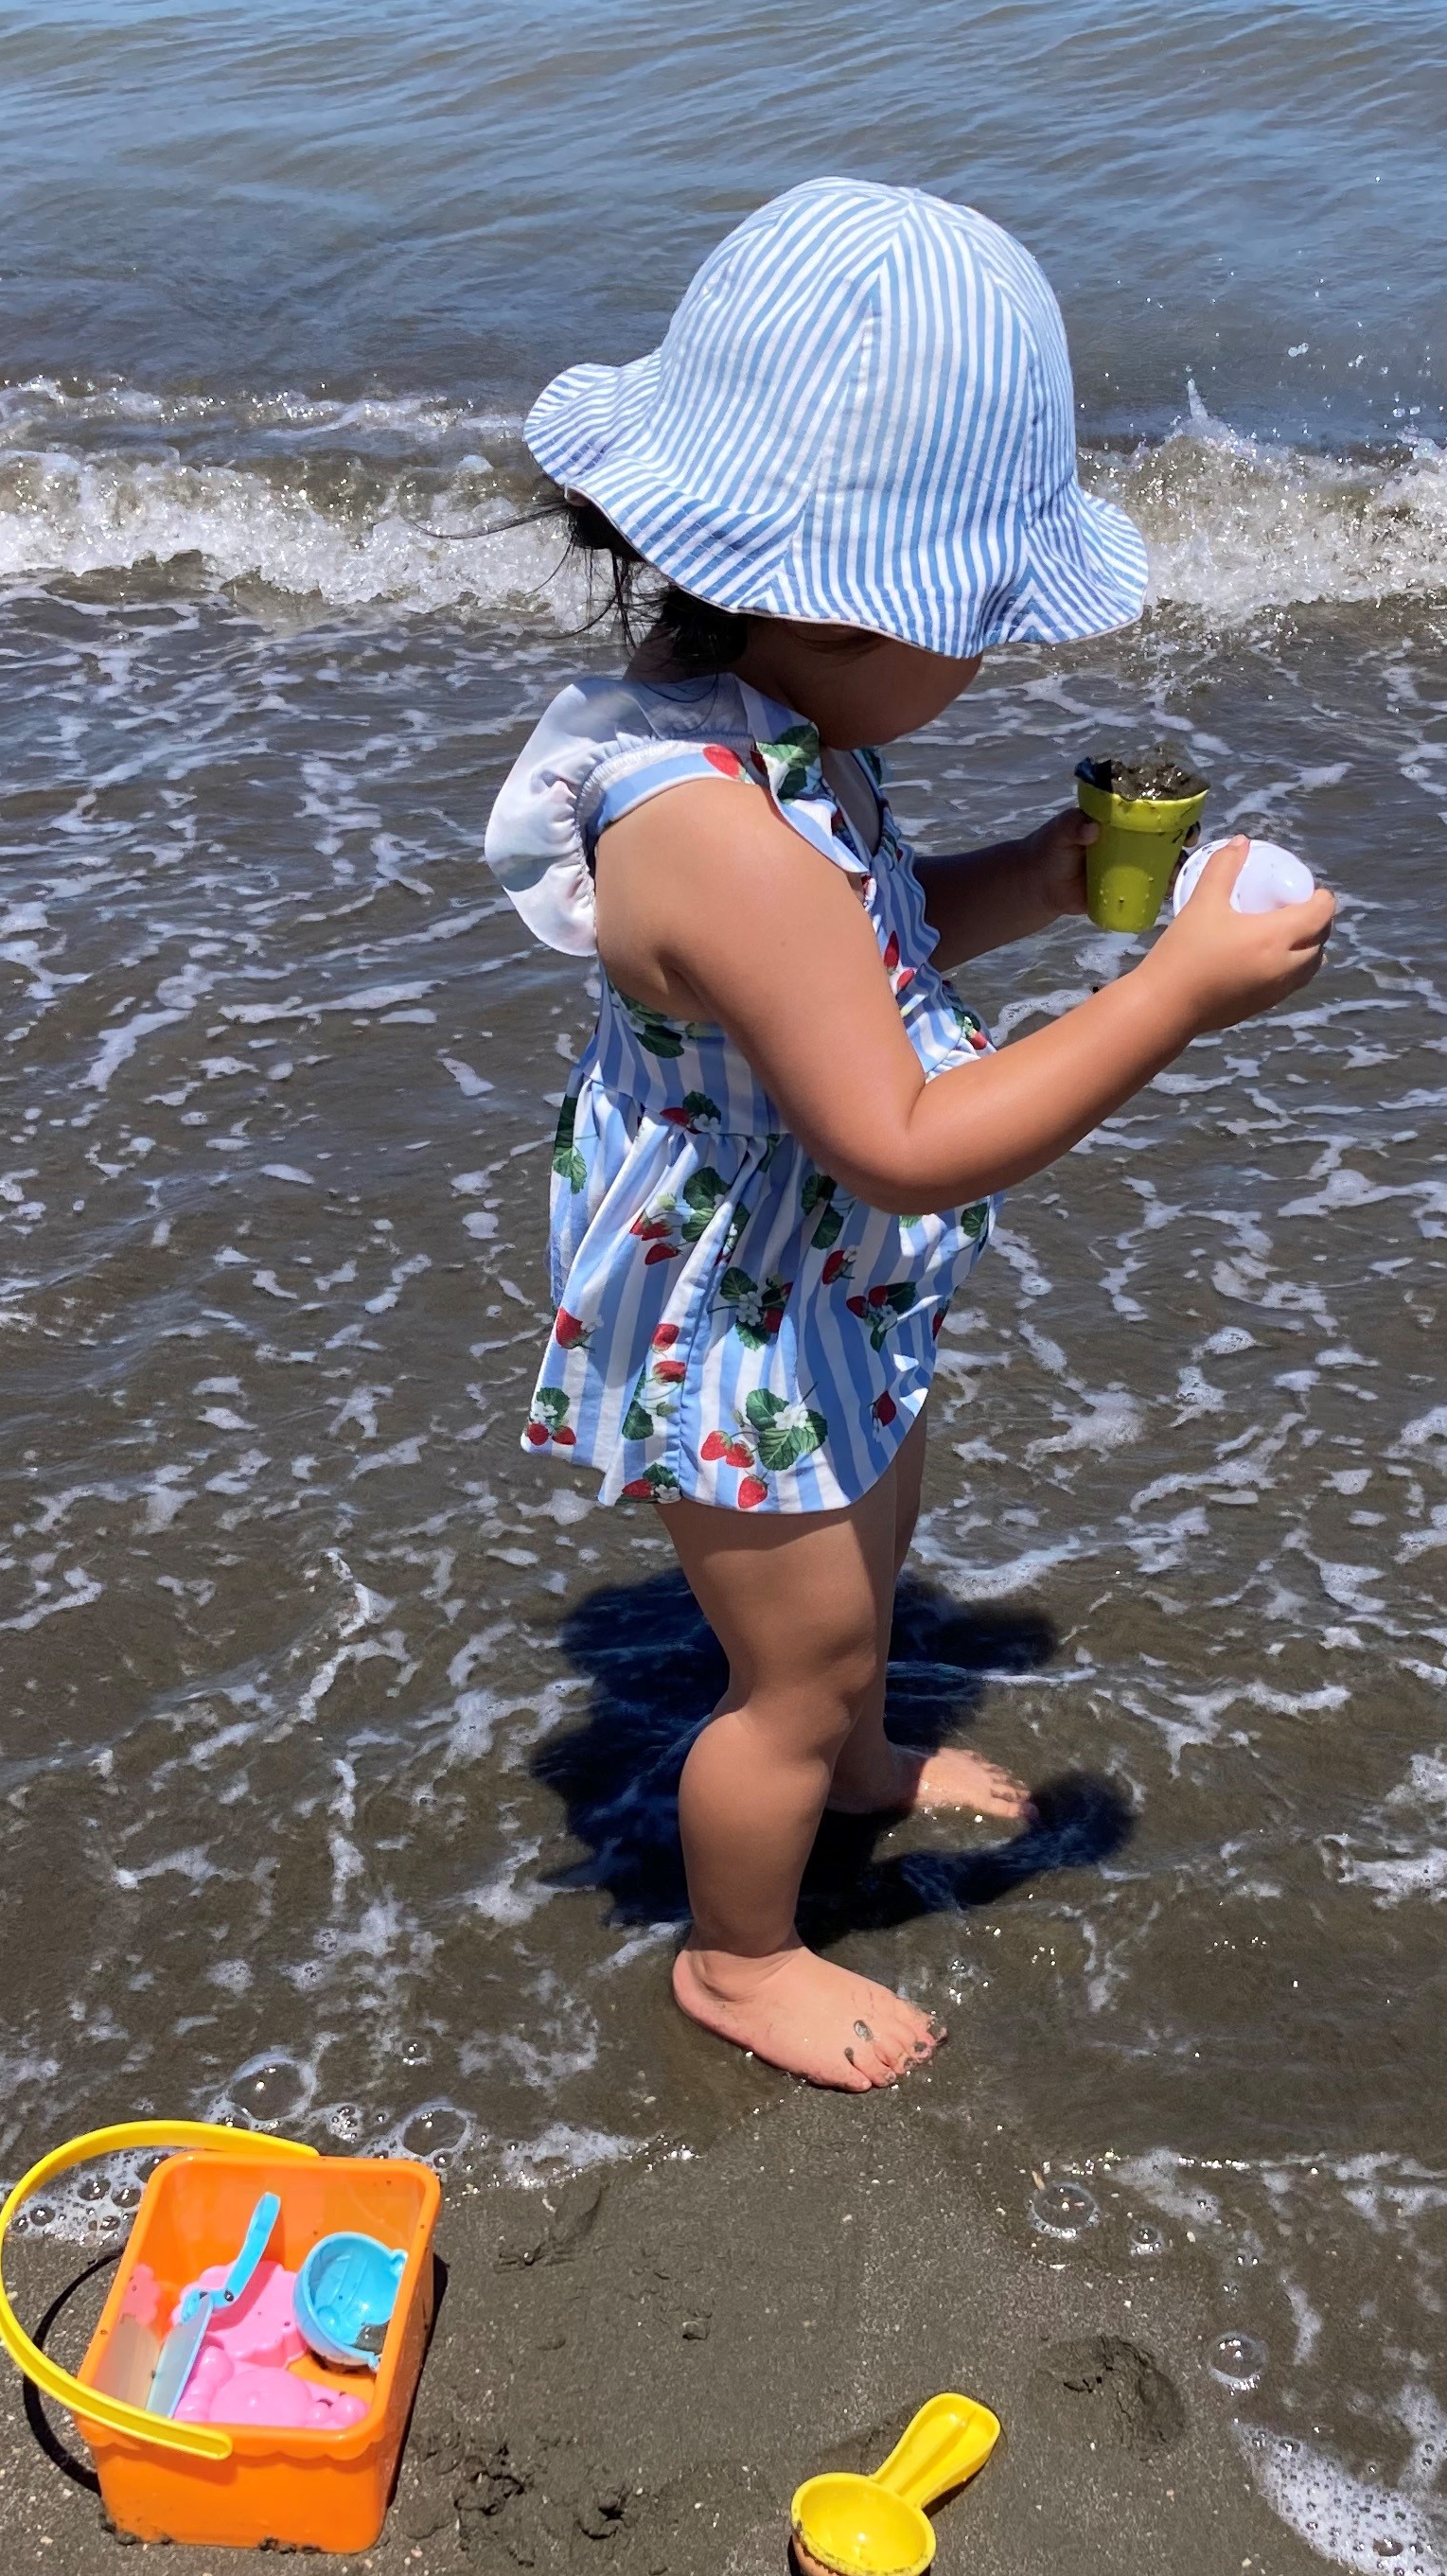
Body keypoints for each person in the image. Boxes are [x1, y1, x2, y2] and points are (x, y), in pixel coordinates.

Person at [485, 177, 1335, 2092]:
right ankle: (741, 1951)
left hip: (810, 1275)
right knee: (783, 1677)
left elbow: (847, 959)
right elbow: (905, 1135)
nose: (989, 652)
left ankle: (858, 1752)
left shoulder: (759, 734)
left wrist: (1031, 883)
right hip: (752, 1299)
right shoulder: (719, 828)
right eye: (975, 612)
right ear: (867, 596)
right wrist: (1170, 993)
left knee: (874, 1550)